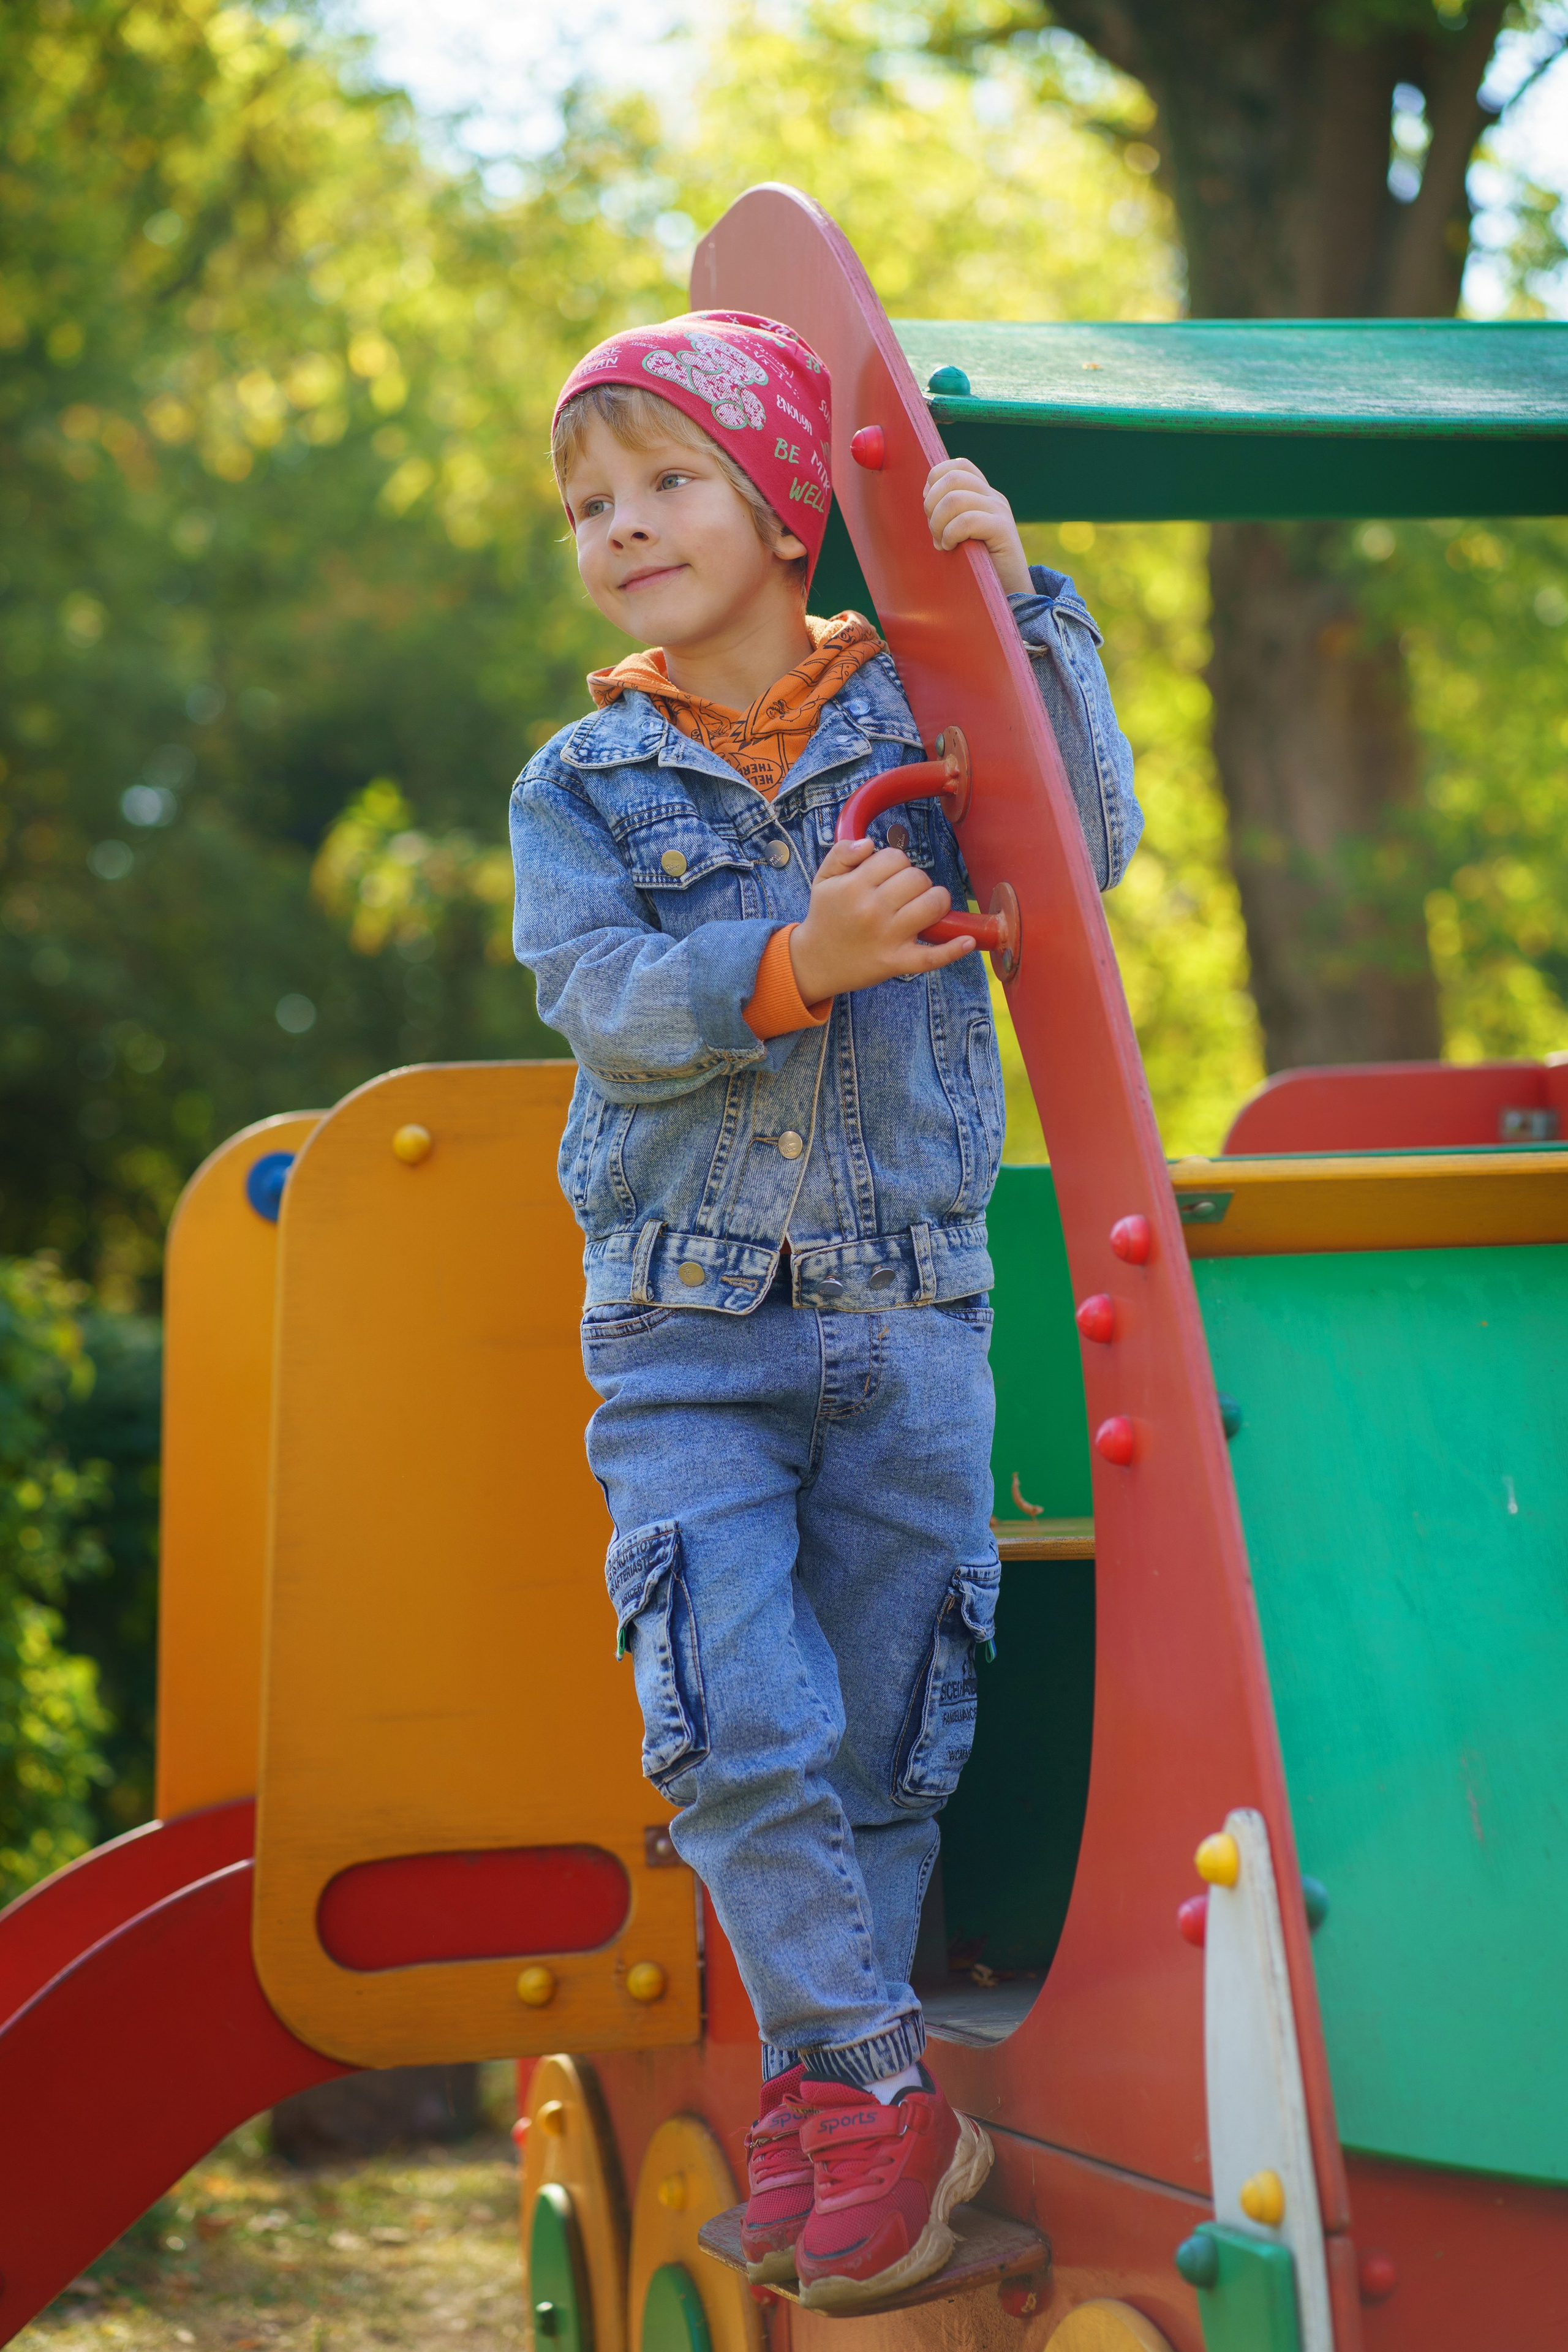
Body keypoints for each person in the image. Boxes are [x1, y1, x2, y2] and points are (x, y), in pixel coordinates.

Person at [511, 311, 1139, 2310]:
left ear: (791, 511)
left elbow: (1086, 846)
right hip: (685, 1325)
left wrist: (1021, 605)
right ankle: (873, 2080)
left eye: (665, 480)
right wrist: (796, 960)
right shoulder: (585, 781)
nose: (621, 526)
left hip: (913, 1313)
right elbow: (603, 1002)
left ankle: (818, 2084)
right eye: (589, 504)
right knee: (728, 1717)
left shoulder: (928, 718)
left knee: (882, 1737)